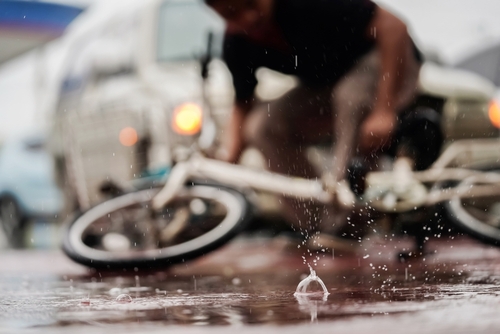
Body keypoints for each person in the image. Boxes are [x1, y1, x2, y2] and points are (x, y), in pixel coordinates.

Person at [205, 0, 422, 250]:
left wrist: (384, 110)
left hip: (389, 63)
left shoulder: (310, 5)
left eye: (250, 5)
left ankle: (347, 221)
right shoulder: (238, 41)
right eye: (231, 14)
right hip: (330, 82)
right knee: (261, 128)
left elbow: (393, 26)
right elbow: (243, 104)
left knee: (350, 96)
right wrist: (229, 160)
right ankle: (317, 225)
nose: (247, 18)